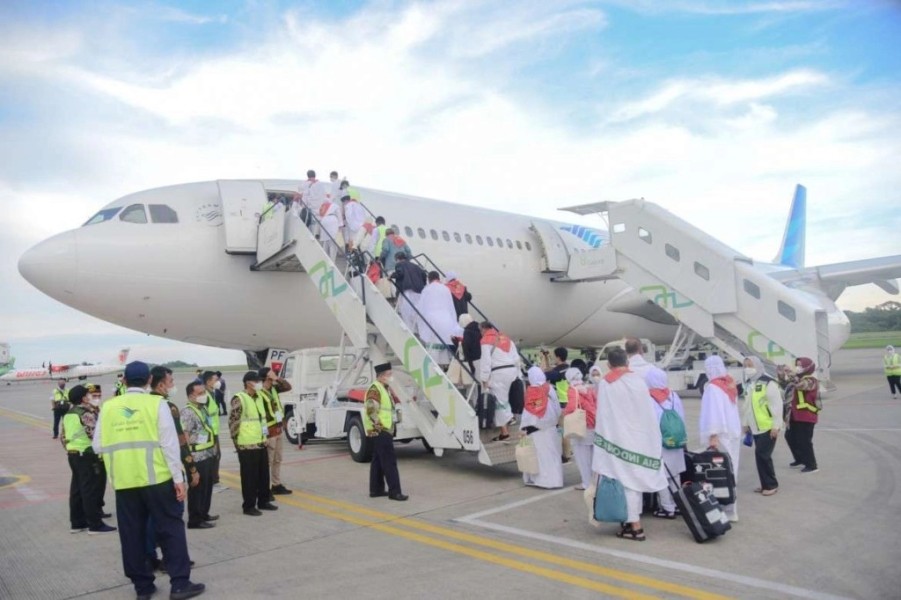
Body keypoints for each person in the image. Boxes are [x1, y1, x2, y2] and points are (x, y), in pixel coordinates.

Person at [93, 361, 205, 600]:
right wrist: (179, 478)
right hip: (158, 479)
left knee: (132, 534)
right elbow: (169, 444)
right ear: (147, 381)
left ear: (123, 381)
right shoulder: (156, 404)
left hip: (124, 483)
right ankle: (179, 584)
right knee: (170, 529)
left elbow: (98, 445)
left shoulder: (109, 407)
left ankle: (143, 587)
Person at [592, 348, 666, 541]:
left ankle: (635, 527)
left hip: (617, 439)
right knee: (634, 478)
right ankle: (629, 520)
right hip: (639, 438)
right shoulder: (639, 381)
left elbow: (605, 414)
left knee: (626, 482)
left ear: (608, 365)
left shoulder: (607, 384)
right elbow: (646, 412)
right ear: (627, 362)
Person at [61, 384, 115, 534]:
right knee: (89, 490)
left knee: (77, 490)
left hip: (73, 454)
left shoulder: (69, 413)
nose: (90, 397)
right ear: (83, 398)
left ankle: (77, 523)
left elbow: (63, 436)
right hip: (87, 454)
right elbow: (95, 435)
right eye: (88, 394)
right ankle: (95, 524)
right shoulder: (86, 413)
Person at [229, 371, 278, 516]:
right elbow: (233, 423)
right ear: (249, 383)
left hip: (260, 442)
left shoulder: (258, 397)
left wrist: (265, 436)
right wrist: (236, 443)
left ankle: (263, 501)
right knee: (249, 478)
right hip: (246, 445)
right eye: (257, 381)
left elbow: (261, 419)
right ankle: (249, 506)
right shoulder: (239, 399)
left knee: (263, 475)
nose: (260, 384)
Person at [699, 355, 741, 522]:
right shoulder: (729, 384)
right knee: (731, 472)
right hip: (733, 434)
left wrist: (713, 436)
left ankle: (724, 509)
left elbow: (713, 413)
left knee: (718, 474)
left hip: (721, 436)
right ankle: (732, 509)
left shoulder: (713, 388)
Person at [645, 366, 687, 518]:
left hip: (660, 441)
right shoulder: (673, 395)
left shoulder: (649, 397)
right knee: (675, 474)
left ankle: (666, 507)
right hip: (677, 439)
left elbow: (649, 422)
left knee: (661, 475)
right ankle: (677, 504)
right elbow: (682, 416)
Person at [362, 363, 408, 501]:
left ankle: (376, 489)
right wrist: (379, 426)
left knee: (377, 460)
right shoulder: (375, 389)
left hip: (384, 428)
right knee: (389, 461)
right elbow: (371, 410)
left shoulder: (384, 388)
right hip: (381, 430)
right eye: (389, 374)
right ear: (381, 376)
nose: (391, 377)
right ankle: (395, 491)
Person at [741, 356, 782, 496]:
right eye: (745, 365)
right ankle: (765, 484)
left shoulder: (768, 383)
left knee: (763, 455)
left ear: (757, 366)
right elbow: (747, 406)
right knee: (760, 456)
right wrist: (745, 424)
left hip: (767, 427)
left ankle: (771, 485)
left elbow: (777, 405)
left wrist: (776, 426)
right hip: (755, 427)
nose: (747, 368)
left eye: (750, 365)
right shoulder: (748, 383)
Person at [180, 382, 218, 530]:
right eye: (200, 393)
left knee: (207, 486)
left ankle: (204, 513)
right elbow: (185, 435)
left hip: (207, 453)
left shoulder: (202, 409)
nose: (204, 396)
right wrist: (189, 458)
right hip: (197, 456)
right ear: (191, 396)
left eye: (204, 392)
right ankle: (195, 520)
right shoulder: (187, 412)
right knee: (198, 488)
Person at [520, 367, 563, 489]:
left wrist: (523, 427)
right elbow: (557, 407)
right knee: (553, 454)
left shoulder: (532, 390)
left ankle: (543, 481)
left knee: (540, 455)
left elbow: (529, 411)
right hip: (551, 427)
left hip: (537, 429)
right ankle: (556, 480)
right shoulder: (549, 388)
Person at [479, 322, 521, 440]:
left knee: (500, 402)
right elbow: (516, 358)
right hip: (512, 371)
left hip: (499, 373)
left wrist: (484, 379)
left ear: (483, 329)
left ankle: (505, 432)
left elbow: (485, 362)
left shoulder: (485, 341)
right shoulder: (506, 338)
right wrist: (518, 374)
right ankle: (511, 418)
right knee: (507, 399)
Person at [258, 366, 293, 497]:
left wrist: (277, 378)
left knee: (277, 459)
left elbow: (288, 387)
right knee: (268, 462)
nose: (275, 375)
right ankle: (264, 489)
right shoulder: (259, 393)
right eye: (272, 374)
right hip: (269, 431)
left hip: (278, 429)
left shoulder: (273, 388)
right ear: (267, 377)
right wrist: (264, 434)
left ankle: (276, 485)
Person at [417, 271, 462, 368]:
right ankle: (446, 365)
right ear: (439, 278)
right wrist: (453, 320)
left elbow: (421, 306)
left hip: (432, 319)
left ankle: (434, 366)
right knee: (444, 341)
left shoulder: (427, 289)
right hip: (446, 319)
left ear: (429, 279)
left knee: (433, 342)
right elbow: (451, 306)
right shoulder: (445, 288)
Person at [562, 367, 596, 490]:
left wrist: (565, 414)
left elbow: (571, 407)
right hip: (593, 425)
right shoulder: (589, 388)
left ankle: (587, 483)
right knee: (593, 457)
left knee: (582, 458)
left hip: (580, 426)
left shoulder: (573, 390)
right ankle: (596, 482)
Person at [784, 357, 820, 474]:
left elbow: (801, 385)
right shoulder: (797, 378)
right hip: (794, 415)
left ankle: (811, 464)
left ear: (808, 367)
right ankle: (800, 459)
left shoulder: (811, 380)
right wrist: (782, 374)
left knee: (804, 440)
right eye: (797, 365)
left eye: (800, 365)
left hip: (806, 415)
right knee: (790, 436)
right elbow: (785, 386)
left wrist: (791, 374)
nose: (798, 367)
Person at [541, 347, 571, 461]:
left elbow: (543, 373)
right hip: (569, 403)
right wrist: (546, 357)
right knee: (566, 430)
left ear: (558, 357)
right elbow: (551, 370)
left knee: (562, 431)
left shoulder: (557, 372)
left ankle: (566, 455)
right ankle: (568, 452)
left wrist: (543, 359)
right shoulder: (567, 368)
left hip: (560, 405)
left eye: (554, 356)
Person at [201, 371, 224, 491]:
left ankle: (214, 480)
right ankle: (213, 481)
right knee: (213, 456)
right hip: (210, 432)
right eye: (215, 380)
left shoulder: (212, 393)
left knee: (216, 455)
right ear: (209, 381)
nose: (218, 382)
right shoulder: (204, 395)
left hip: (214, 430)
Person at [392, 252, 427, 332]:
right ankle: (418, 328)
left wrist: (392, 276)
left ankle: (409, 329)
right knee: (416, 310)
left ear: (397, 259)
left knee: (406, 309)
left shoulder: (400, 264)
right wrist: (422, 284)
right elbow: (424, 275)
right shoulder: (416, 266)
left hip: (408, 290)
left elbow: (400, 273)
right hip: (418, 291)